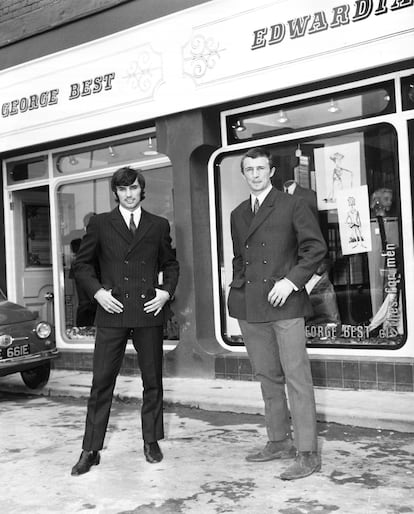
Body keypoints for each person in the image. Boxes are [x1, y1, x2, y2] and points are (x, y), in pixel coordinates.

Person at [71, 166, 179, 476]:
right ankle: (90, 449)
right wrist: (98, 294)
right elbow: (82, 266)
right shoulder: (101, 224)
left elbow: (171, 265)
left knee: (153, 381)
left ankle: (151, 441)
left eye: (133, 188)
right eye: (123, 189)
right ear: (115, 192)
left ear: (141, 191)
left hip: (148, 312)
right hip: (112, 311)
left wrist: (165, 293)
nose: (129, 194)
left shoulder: (158, 225)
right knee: (101, 382)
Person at [228, 147, 327, 480]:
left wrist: (291, 281)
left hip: (284, 302)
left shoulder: (292, 204)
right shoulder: (238, 213)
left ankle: (309, 453)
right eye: (249, 169)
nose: (255, 174)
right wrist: (237, 284)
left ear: (271, 171)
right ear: (243, 174)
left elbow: (315, 248)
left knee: (297, 378)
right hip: (251, 305)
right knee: (267, 376)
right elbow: (239, 257)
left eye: (260, 168)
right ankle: (278, 441)